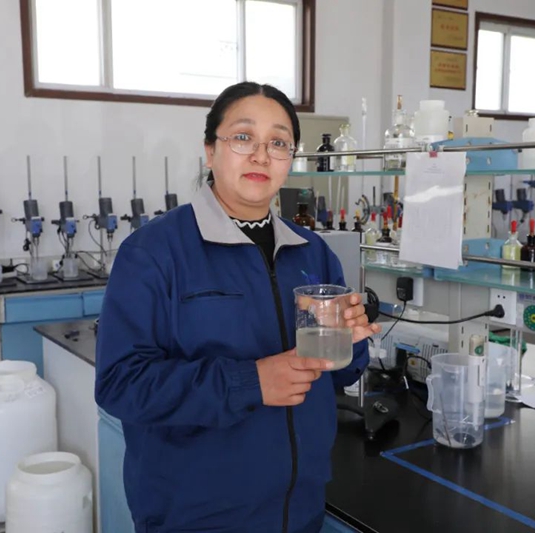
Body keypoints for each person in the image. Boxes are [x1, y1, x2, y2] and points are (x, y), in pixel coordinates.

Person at [95, 81, 380, 533]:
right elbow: (120, 384)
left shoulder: (312, 252)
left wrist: (350, 340)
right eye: (243, 137)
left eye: (279, 143)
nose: (261, 156)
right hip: (197, 517)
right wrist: (251, 382)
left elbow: (341, 374)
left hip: (300, 510)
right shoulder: (154, 253)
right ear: (210, 151)